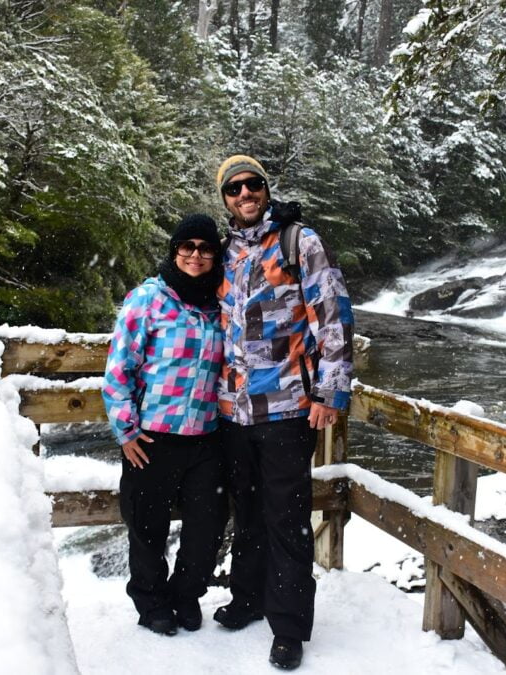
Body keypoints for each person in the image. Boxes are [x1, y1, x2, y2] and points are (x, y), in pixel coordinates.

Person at [212, 155, 354, 670]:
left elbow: (332, 317)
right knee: (245, 511)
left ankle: (289, 625)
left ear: (266, 190)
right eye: (234, 189)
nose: (245, 194)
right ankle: (248, 598)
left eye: (253, 185)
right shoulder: (222, 250)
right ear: (225, 198)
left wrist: (331, 394)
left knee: (287, 517)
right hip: (232, 411)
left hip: (288, 407)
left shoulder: (300, 242)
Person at [101, 214, 227, 636]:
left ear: (215, 255)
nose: (195, 255)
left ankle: (186, 594)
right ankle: (151, 602)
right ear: (175, 251)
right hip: (153, 436)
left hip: (207, 436)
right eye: (187, 246)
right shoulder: (149, 298)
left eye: (205, 248)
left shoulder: (220, 303)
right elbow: (120, 368)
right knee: (146, 526)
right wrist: (127, 429)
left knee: (206, 528)